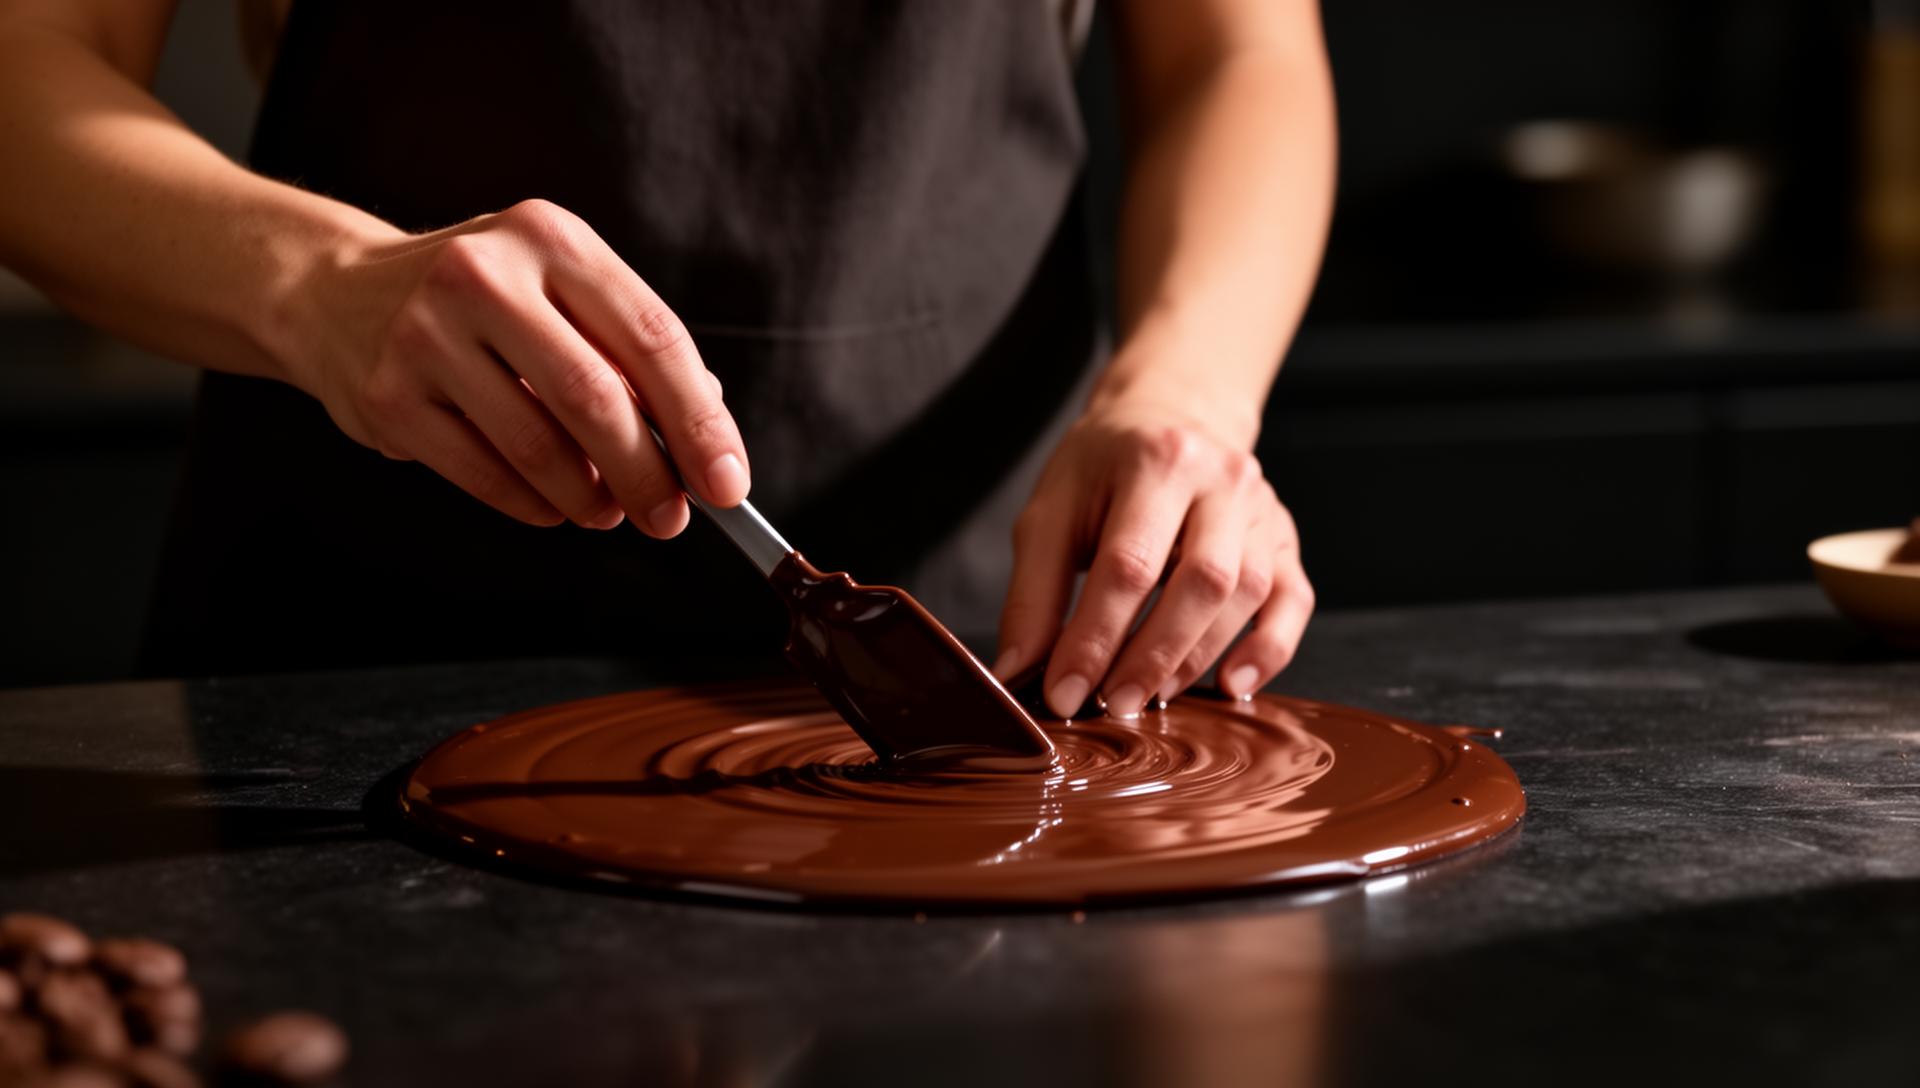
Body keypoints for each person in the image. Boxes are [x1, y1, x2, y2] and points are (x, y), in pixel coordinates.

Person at [0, 0, 1333, 720]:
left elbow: (1241, 47)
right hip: (354, 647)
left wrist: (1193, 391)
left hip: (998, 638)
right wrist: (315, 284)